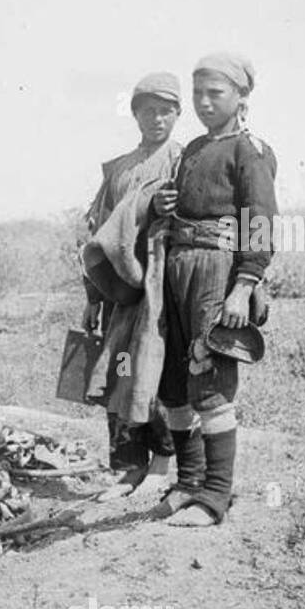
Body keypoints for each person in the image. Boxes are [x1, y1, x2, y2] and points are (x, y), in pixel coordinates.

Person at [151, 52, 277, 526]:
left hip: (218, 272)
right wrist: (165, 203)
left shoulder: (250, 151)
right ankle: (187, 483)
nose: (203, 102)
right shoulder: (193, 151)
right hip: (177, 269)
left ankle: (216, 497)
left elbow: (259, 224)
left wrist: (243, 288)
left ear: (241, 97)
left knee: (211, 381)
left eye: (215, 93)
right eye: (198, 93)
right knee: (174, 384)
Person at [80, 71, 182, 501]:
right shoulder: (119, 169)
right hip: (123, 290)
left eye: (165, 111)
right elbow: (97, 231)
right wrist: (92, 297)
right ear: (135, 115)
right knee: (118, 371)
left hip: (164, 286)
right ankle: (128, 468)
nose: (156, 119)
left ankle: (162, 464)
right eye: (148, 111)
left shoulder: (183, 159)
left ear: (177, 114)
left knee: (153, 371)